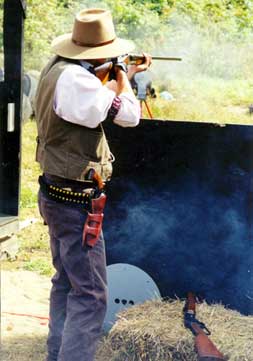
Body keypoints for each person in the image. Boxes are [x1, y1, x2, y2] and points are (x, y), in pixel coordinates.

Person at [35, 8, 152, 361]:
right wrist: (124, 79)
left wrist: (116, 73)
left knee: (66, 281)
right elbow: (130, 116)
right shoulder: (80, 81)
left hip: (55, 192)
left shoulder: (56, 69)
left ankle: (57, 353)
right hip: (75, 201)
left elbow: (80, 107)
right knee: (91, 296)